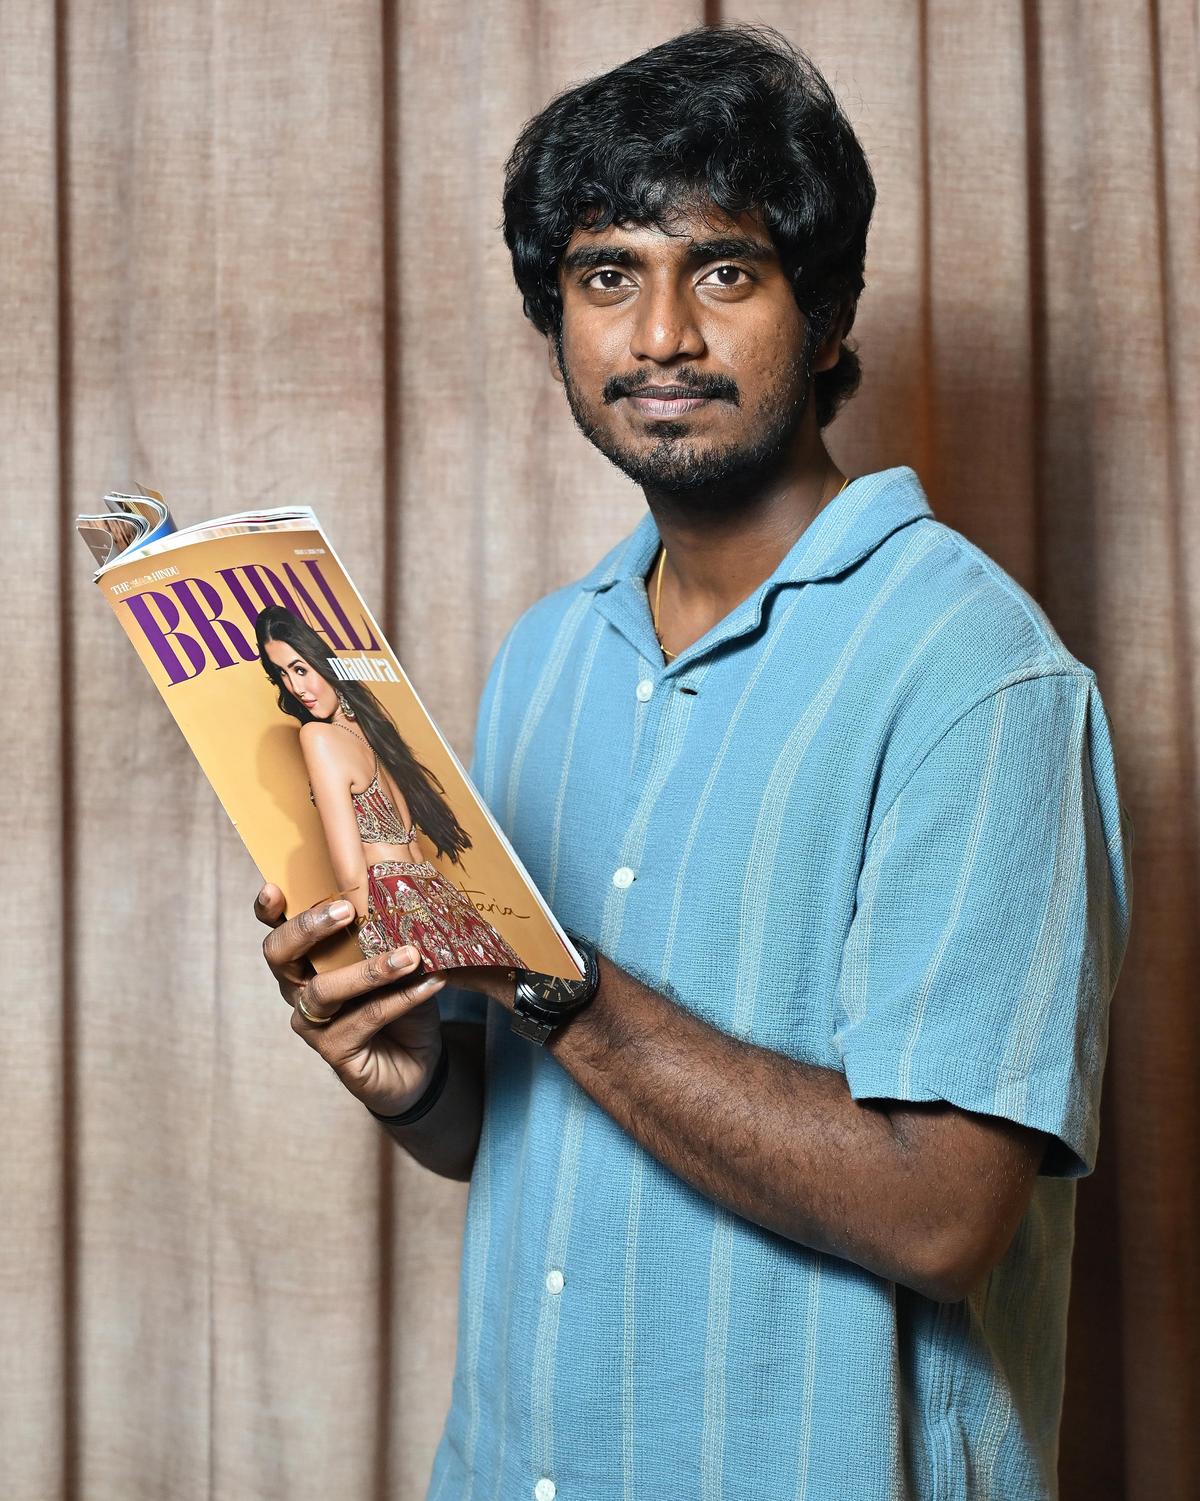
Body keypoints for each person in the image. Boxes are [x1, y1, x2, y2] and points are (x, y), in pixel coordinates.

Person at [255, 26, 1133, 1500]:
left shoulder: (981, 678)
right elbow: (523, 1136)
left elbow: (942, 1215)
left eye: (724, 270)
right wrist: (410, 1081)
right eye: (608, 276)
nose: (661, 335)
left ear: (830, 311)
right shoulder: (543, 658)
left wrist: (560, 986)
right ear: (559, 324)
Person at [255, 604, 522, 974]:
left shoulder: (318, 736)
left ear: (323, 661)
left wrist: (362, 949)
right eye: (281, 674)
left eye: (301, 669)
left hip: (390, 902)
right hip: (437, 894)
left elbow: (351, 874)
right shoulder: (375, 732)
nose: (295, 688)